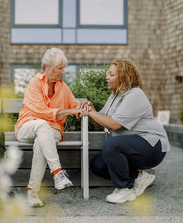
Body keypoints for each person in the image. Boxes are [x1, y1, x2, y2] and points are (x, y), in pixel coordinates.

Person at [81, 59, 170, 204]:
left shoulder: (135, 95)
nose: (107, 77)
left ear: (123, 76)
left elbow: (114, 124)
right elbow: (99, 122)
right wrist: (91, 109)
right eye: (107, 74)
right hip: (132, 145)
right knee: (97, 164)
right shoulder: (114, 96)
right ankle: (140, 176)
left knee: (111, 145)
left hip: (152, 146)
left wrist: (91, 112)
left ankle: (123, 190)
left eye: (111, 74)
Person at [15, 48, 83, 207]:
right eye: (60, 68)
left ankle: (32, 192)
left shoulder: (63, 87)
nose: (63, 72)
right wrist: (70, 110)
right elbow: (41, 112)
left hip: (52, 132)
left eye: (63, 68)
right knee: (42, 124)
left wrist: (83, 107)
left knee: (41, 141)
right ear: (47, 67)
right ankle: (58, 172)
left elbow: (75, 106)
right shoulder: (35, 83)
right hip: (28, 126)